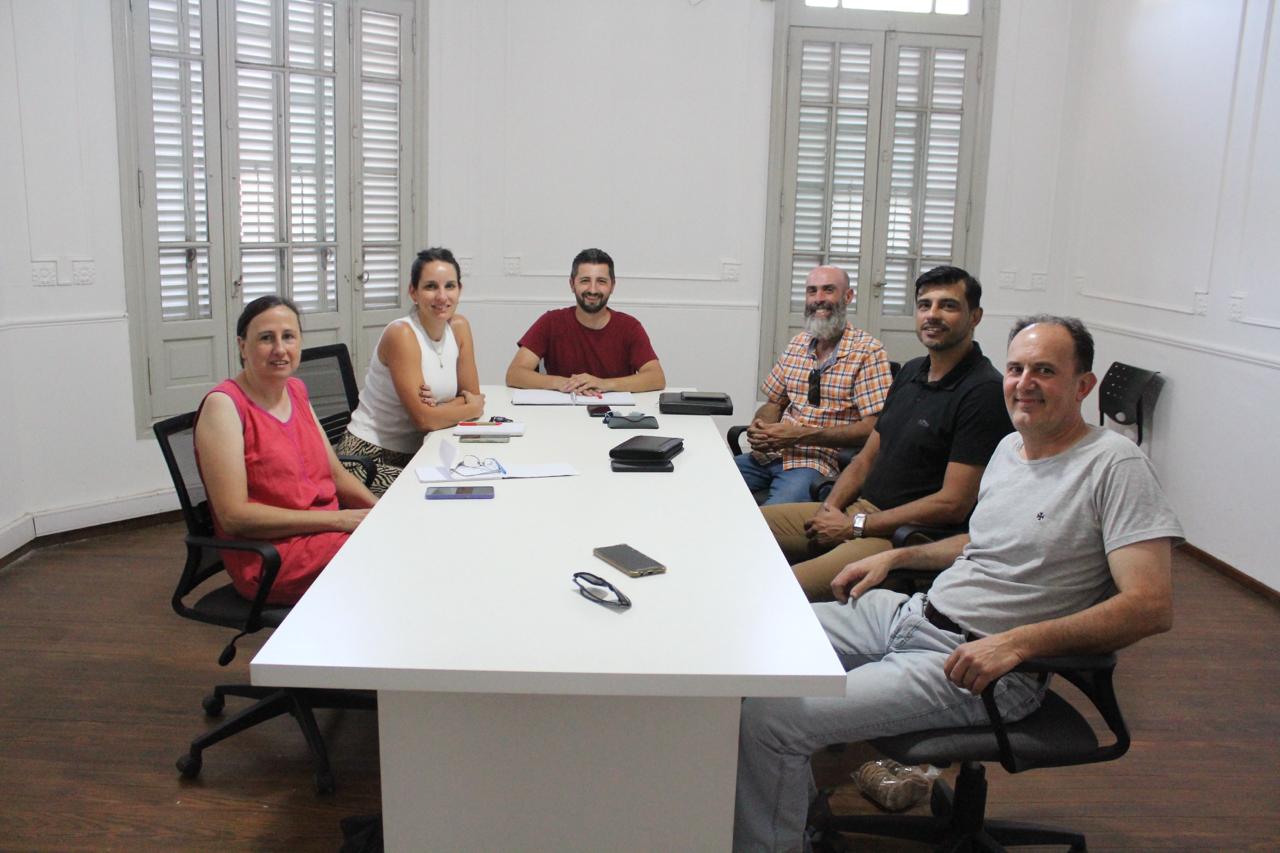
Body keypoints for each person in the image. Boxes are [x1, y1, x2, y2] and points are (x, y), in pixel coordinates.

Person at [733, 315, 1184, 851]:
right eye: (1016, 369)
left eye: (1045, 371)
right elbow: (982, 540)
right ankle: (790, 816)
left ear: (1083, 384)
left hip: (977, 663)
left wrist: (1017, 643)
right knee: (751, 648)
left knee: (771, 722)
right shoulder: (1010, 448)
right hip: (913, 615)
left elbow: (1149, 605)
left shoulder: (1115, 466)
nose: (1024, 383)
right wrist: (899, 555)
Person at [764, 266, 1012, 600]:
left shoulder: (984, 392)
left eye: (948, 306)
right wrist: (830, 508)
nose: (933, 314)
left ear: (975, 317)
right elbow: (866, 458)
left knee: (781, 590)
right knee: (742, 528)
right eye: (924, 305)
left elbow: (952, 504)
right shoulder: (911, 371)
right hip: (856, 510)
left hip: (901, 535)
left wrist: (855, 526)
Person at [194, 295, 378, 605]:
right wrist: (338, 521)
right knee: (394, 556)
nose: (280, 349)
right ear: (243, 346)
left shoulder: (295, 389)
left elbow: (335, 474)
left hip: (325, 536)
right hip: (273, 556)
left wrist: (381, 513)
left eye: (288, 337)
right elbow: (234, 517)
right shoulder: (223, 406)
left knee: (401, 539)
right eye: (266, 338)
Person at [736, 265, 892, 505]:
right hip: (769, 456)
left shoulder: (868, 352)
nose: (818, 298)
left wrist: (800, 436)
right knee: (702, 483)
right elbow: (774, 402)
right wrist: (761, 427)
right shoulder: (798, 344)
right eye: (812, 291)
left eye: (828, 290)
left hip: (817, 463)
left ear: (848, 296)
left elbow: (873, 429)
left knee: (771, 520)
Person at [337, 247, 486, 494]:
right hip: (366, 457)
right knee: (441, 494)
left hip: (418, 451)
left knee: (474, 485)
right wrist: (471, 408)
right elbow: (424, 420)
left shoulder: (459, 327)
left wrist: (440, 408)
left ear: (459, 290)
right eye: (430, 287)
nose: (442, 296)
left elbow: (471, 392)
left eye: (450, 286)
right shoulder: (402, 334)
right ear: (413, 292)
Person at [504, 248, 666, 393]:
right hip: (561, 411)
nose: (593, 289)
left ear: (612, 286)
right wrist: (563, 383)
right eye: (585, 280)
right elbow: (514, 374)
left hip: (614, 413)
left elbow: (656, 377)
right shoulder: (551, 321)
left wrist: (604, 384)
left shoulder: (629, 327)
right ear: (572, 284)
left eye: (601, 281)